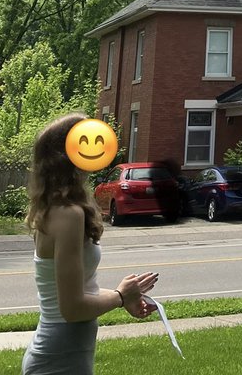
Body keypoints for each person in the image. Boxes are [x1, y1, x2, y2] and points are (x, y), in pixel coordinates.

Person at [22, 113, 160, 374]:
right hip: (56, 361)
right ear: (68, 153)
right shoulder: (67, 214)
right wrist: (120, 297)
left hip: (66, 355)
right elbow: (72, 309)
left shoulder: (58, 209)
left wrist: (123, 295)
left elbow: (77, 291)